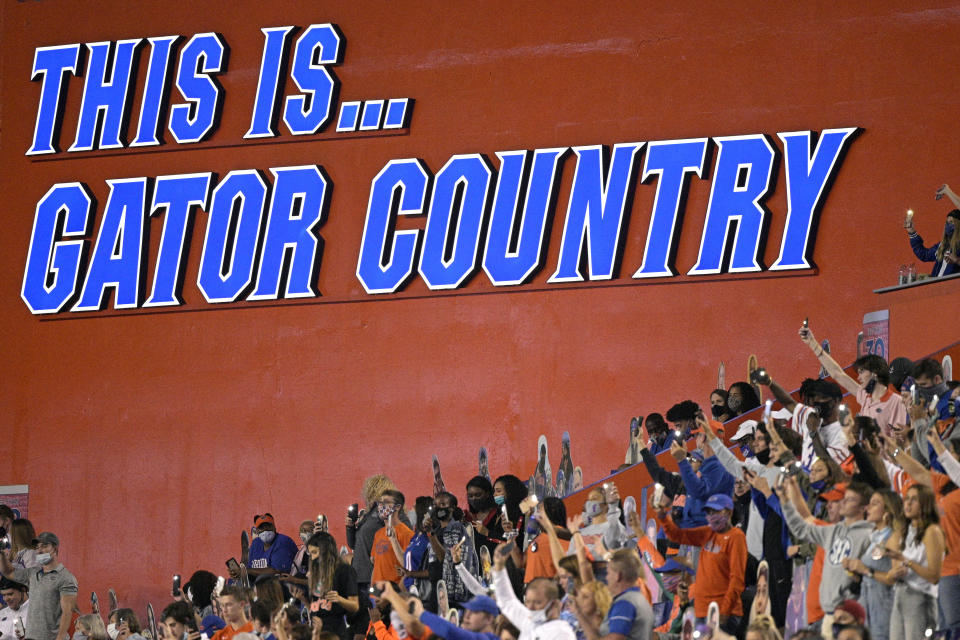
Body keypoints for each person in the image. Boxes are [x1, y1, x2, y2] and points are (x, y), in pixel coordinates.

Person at [777, 478, 873, 637]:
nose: (843, 503)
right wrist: (785, 500)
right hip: (828, 615)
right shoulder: (832, 531)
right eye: (844, 498)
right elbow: (800, 529)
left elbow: (870, 577)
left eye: (850, 499)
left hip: (850, 617)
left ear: (864, 507)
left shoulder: (869, 535)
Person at [653, 493, 747, 634]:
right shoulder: (708, 533)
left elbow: (737, 579)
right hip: (701, 610)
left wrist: (725, 611)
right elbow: (677, 536)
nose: (711, 515)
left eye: (716, 511)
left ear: (729, 512)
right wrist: (662, 516)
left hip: (723, 613)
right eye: (709, 511)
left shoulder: (736, 537)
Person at [799, 327, 906, 438]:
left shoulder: (896, 402)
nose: (858, 377)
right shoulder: (865, 397)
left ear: (875, 372)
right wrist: (812, 343)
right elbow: (838, 374)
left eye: (862, 372)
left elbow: (900, 442)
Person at [841, 489, 904, 640]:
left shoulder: (893, 537)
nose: (868, 507)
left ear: (887, 510)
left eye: (875, 503)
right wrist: (855, 572)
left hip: (884, 610)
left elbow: (896, 578)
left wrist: (867, 570)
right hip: (868, 607)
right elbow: (868, 574)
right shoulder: (874, 537)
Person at [885, 483, 945, 640]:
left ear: (925, 504)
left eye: (914, 500)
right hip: (900, 593)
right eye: (906, 499)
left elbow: (934, 576)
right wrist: (894, 572)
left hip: (921, 598)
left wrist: (907, 562)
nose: (908, 503)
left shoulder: (932, 531)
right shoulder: (906, 531)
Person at [0, 531, 77, 640]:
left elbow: (67, 612)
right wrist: (2, 553)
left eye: (44, 546)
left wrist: (60, 638)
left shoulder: (66, 578)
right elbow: (8, 572)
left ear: (55, 549)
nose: (39, 550)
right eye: (37, 547)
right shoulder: (32, 573)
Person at [491, 541, 575, 639]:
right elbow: (507, 601)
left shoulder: (562, 633)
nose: (530, 607)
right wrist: (499, 566)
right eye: (527, 602)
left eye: (538, 602)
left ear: (555, 605)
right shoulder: (528, 621)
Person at [575, 548, 653, 640]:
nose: (607, 578)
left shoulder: (625, 603)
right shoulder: (637, 598)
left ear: (617, 576)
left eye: (608, 573)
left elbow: (616, 638)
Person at [304, 532, 358, 640]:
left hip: (336, 633)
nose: (313, 558)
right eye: (311, 554)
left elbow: (355, 606)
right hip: (316, 633)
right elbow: (315, 606)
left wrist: (339, 599)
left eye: (315, 552)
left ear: (325, 551)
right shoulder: (314, 572)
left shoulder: (344, 570)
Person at [904, 198, 960, 277]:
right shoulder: (942, 246)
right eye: (947, 222)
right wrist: (911, 232)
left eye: (952, 222)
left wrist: (957, 260)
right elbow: (924, 255)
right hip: (938, 287)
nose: (948, 226)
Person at [465, 476, 503, 556]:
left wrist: (488, 533)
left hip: (497, 562)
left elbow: (507, 541)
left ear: (487, 494)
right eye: (470, 496)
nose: (474, 499)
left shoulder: (499, 514)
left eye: (478, 495)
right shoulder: (467, 517)